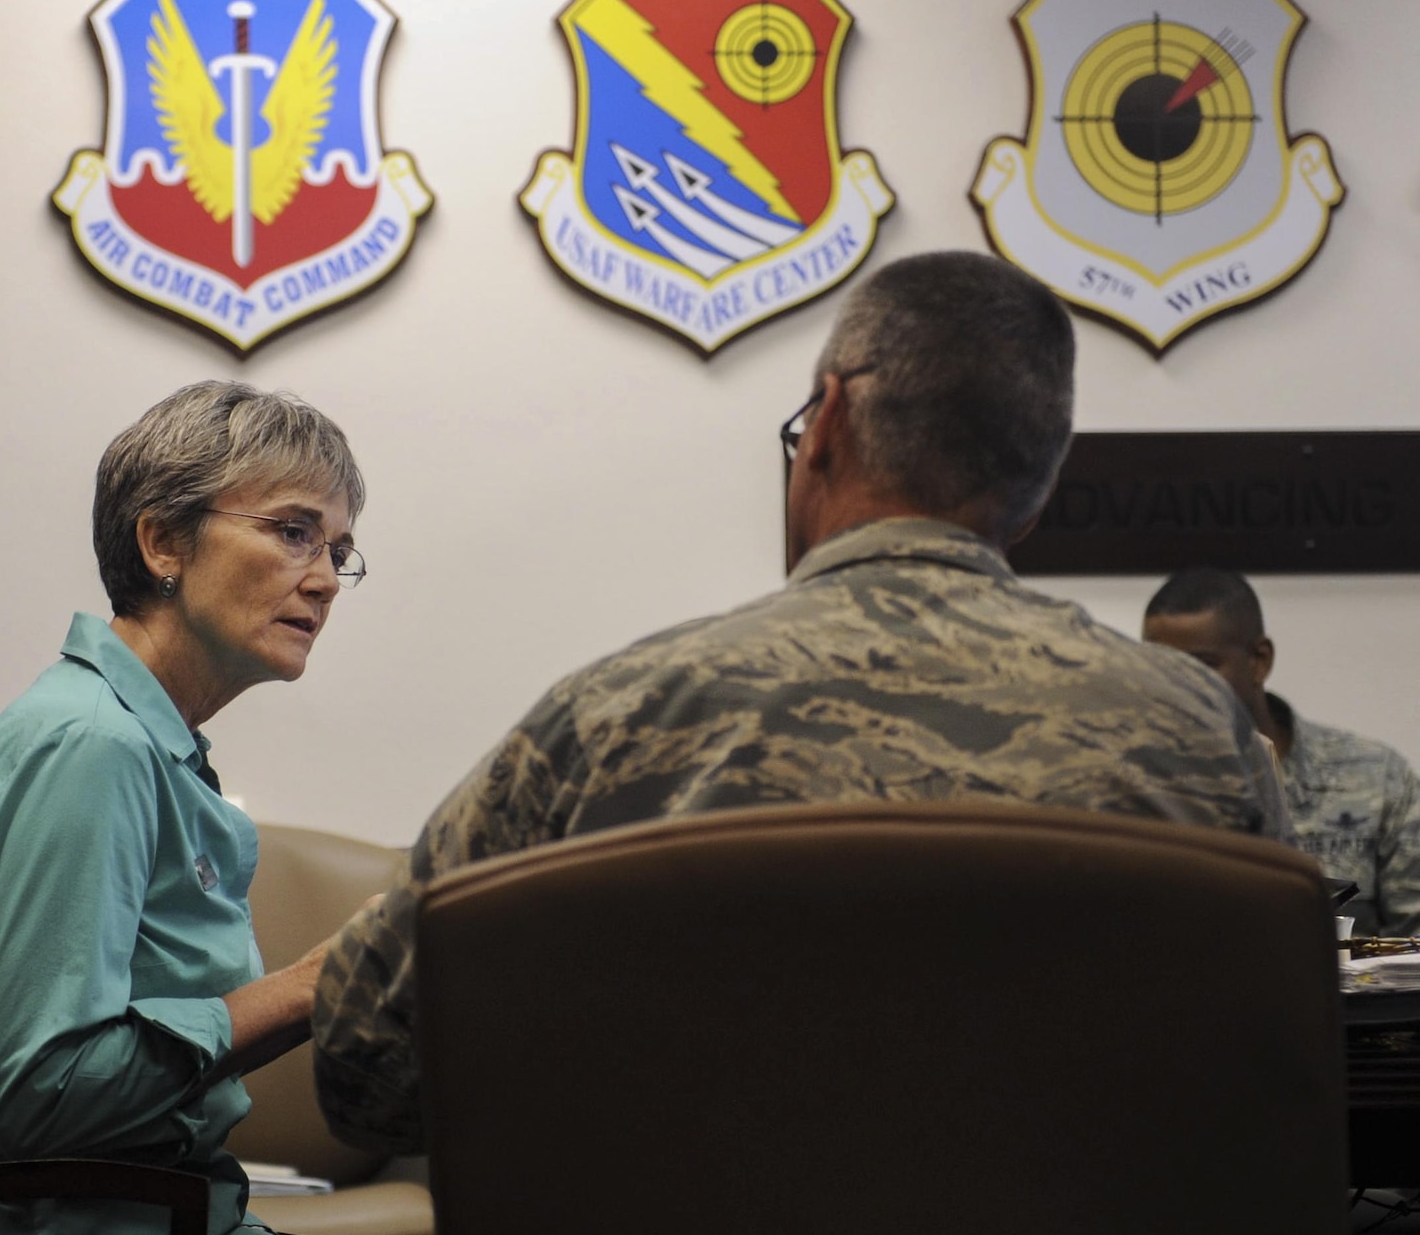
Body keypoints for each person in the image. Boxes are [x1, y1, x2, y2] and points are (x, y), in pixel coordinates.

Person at [312, 250, 1294, 1152]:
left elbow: (364, 1064)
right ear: (1033, 498)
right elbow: (1277, 1063)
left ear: (822, 425)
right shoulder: (1204, 733)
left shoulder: (613, 719)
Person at [0, 381, 406, 1235]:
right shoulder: (89, 745)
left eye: (338, 549)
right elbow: (45, 1096)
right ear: (164, 541)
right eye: (293, 531)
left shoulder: (140, 737)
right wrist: (306, 988)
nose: (326, 576)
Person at [1143, 567, 1420, 935]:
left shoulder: (1375, 777)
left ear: (1259, 660)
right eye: (1159, 668)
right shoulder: (1138, 784)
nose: (1176, 688)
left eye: (1201, 667)